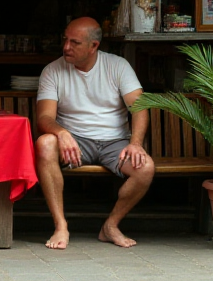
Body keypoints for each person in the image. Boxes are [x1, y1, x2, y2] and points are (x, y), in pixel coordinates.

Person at [34, 17, 154, 250]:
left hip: (114, 143)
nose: (66, 47)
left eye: (75, 42)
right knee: (46, 143)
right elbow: (44, 118)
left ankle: (111, 225)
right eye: (65, 40)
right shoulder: (53, 70)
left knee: (145, 168)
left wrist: (136, 143)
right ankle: (60, 225)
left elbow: (139, 108)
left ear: (94, 46)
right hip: (74, 142)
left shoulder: (118, 66)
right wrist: (61, 132)